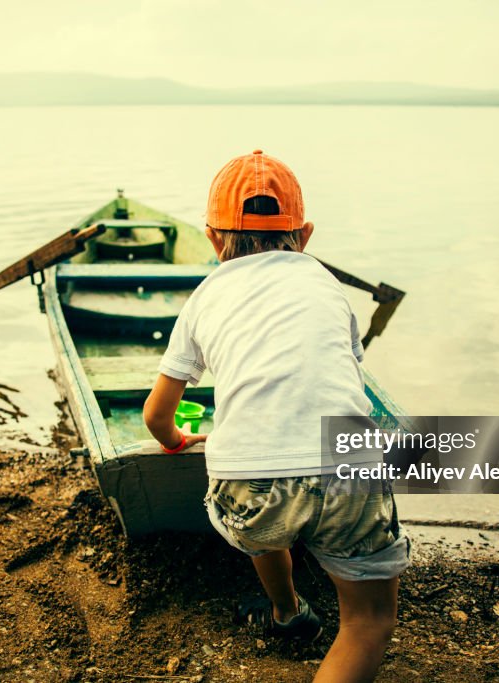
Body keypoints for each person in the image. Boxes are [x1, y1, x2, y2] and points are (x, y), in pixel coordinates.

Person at [142, 150, 410, 682]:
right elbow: (343, 382)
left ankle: (287, 612)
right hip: (344, 469)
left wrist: (175, 440)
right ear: (305, 235)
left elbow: (156, 417)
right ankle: (322, 600)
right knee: (369, 621)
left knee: (264, 525)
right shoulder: (327, 287)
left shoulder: (203, 297)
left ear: (214, 239)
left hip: (247, 484)